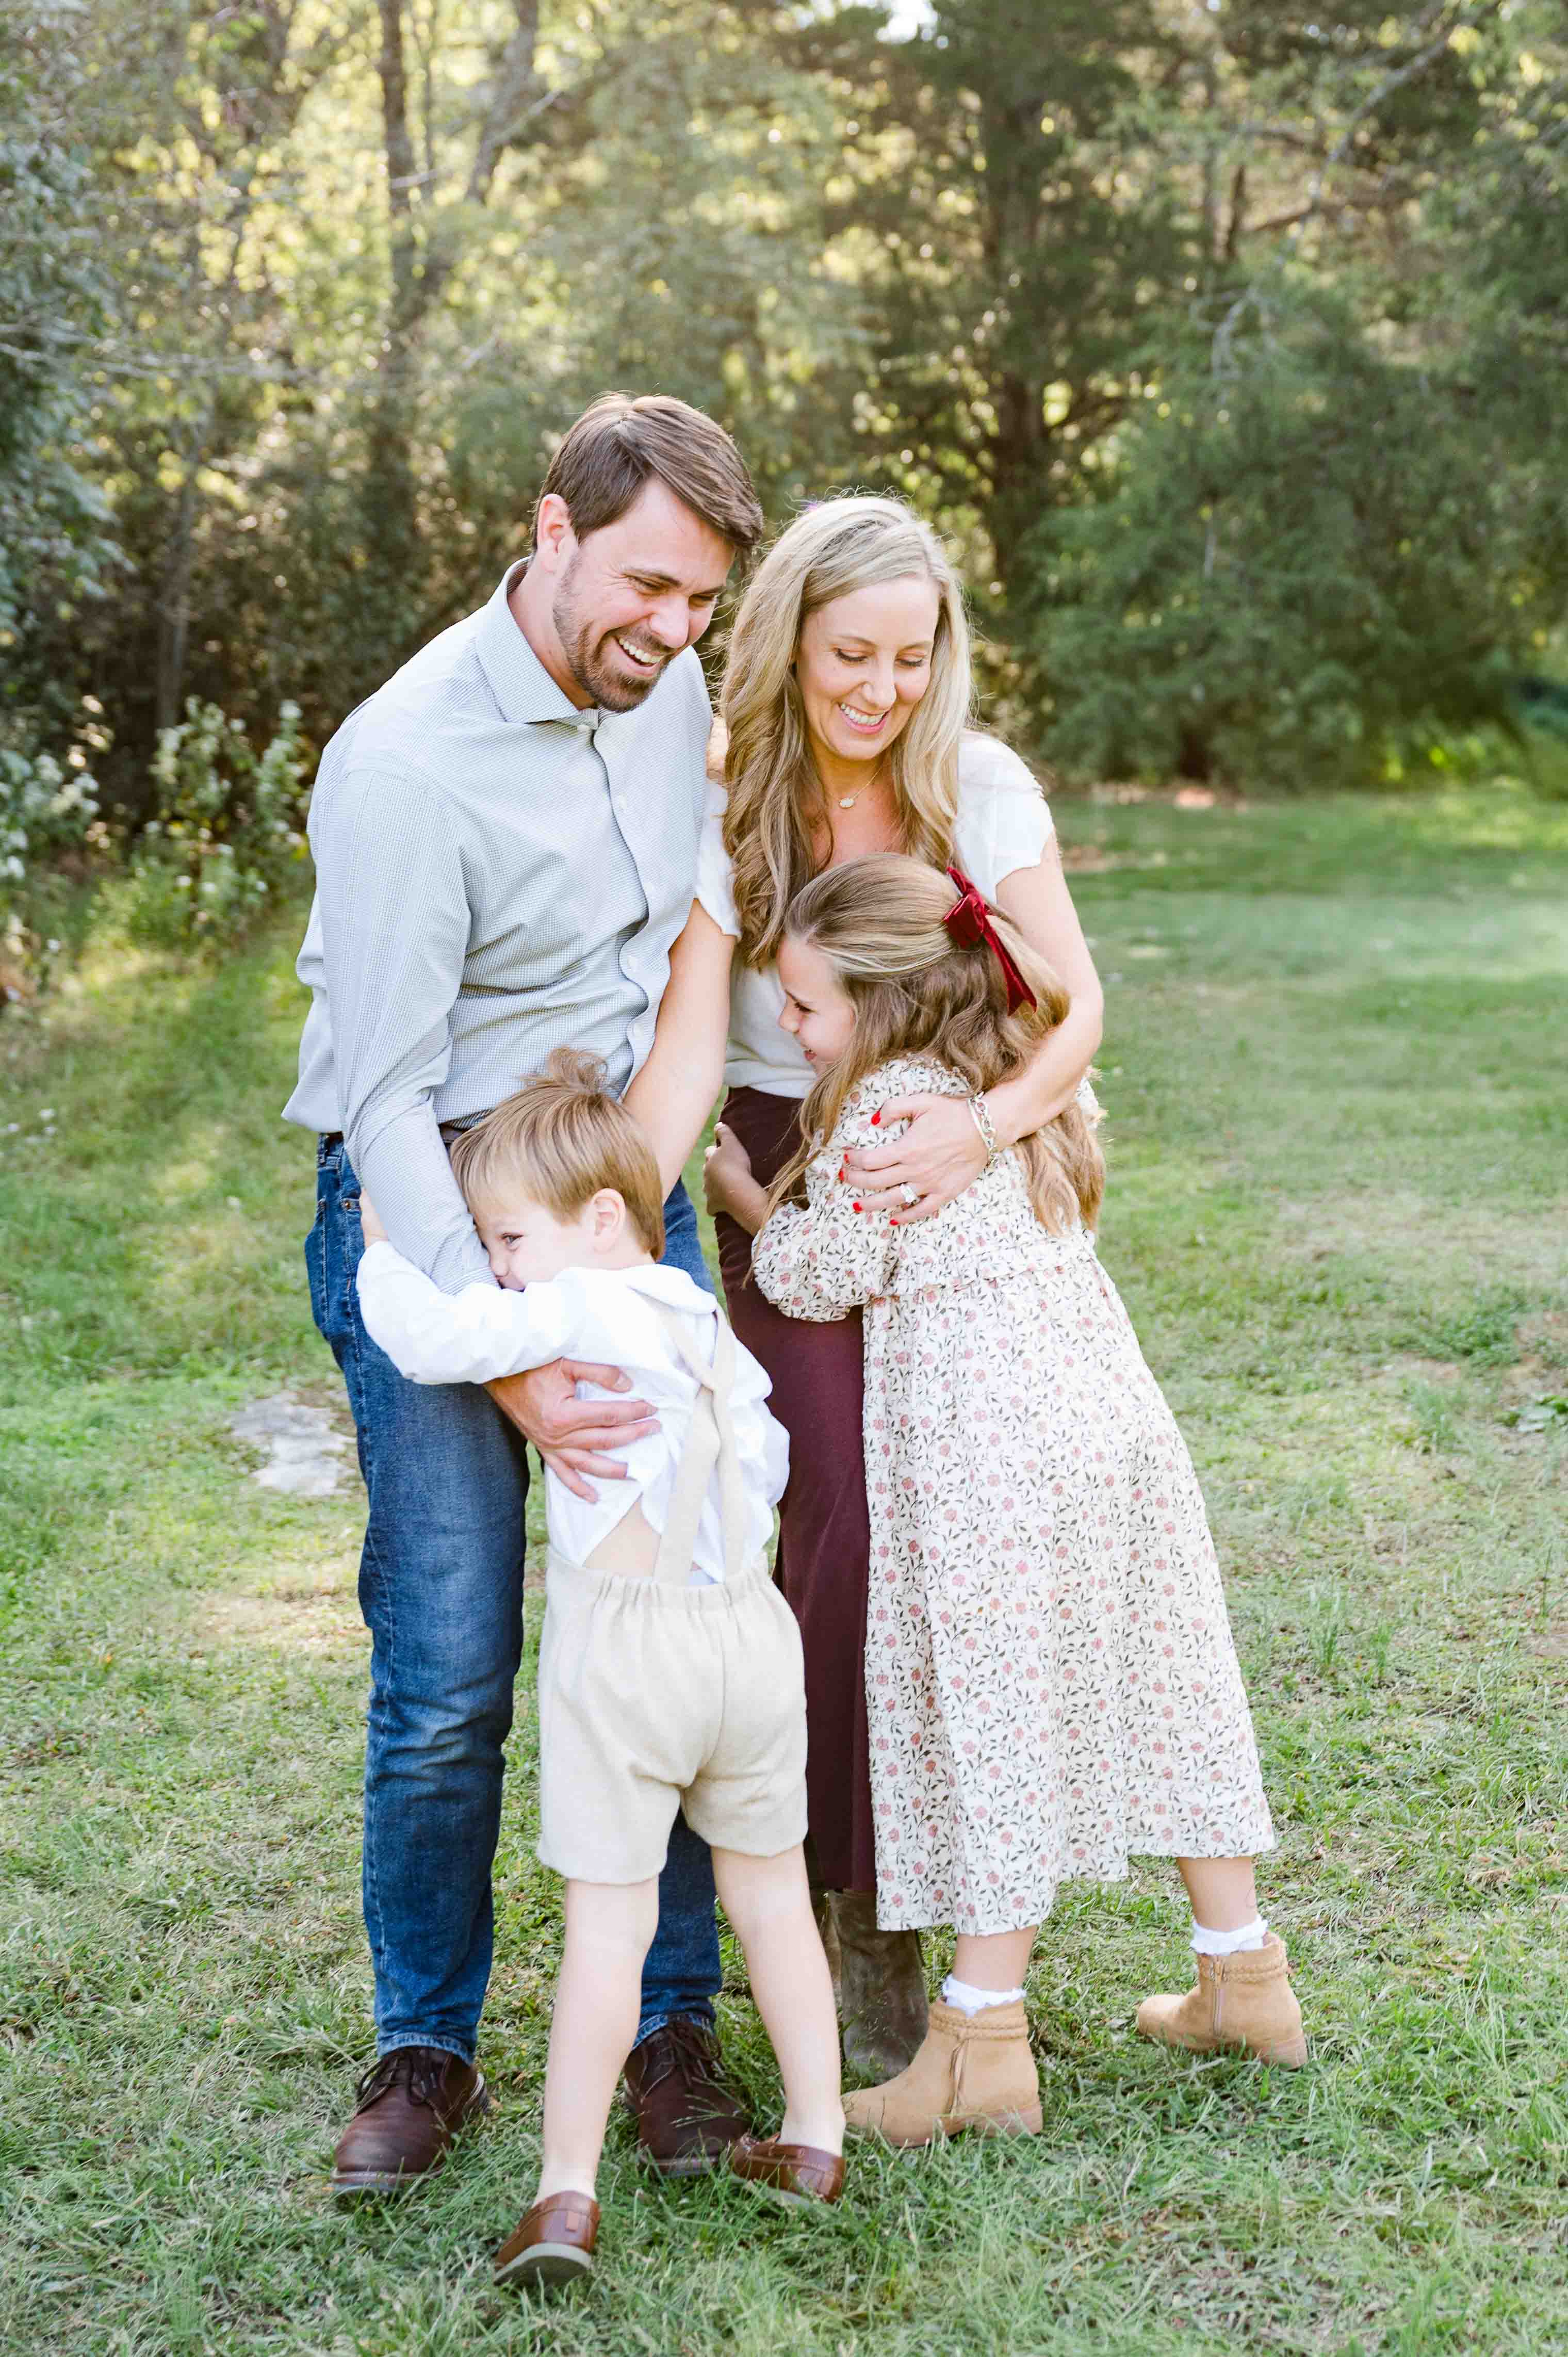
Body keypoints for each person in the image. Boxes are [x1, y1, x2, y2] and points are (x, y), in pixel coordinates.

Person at [283, 393, 763, 2193]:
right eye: (646, 584)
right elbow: (387, 1094)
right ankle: (427, 2046)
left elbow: (674, 962)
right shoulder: (404, 762)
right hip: (430, 1214)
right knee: (452, 1658)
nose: (672, 628)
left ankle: (674, 2026)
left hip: (619, 1194)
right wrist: (510, 1362)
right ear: (551, 530)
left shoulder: (669, 689)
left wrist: (626, 1259)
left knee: (680, 1616)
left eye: (703, 600)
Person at [707, 854, 1303, 2147]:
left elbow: (815, 1277)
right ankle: (1241, 1970)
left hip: (987, 1463)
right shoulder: (1021, 1091)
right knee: (1167, 1679)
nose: (793, 1030)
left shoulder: (882, 1119)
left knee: (988, 1723)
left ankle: (980, 2037)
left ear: (880, 1000)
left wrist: (750, 1198)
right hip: (1109, 1433)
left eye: (806, 1007)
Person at [695, 495, 1103, 2076]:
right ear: (790, 633)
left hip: (951, 1156)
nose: (876, 688)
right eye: (848, 653)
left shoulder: (973, 782)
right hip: (774, 1150)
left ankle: (896, 1900)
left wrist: (978, 1130)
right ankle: (822, 1886)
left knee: (961, 1514)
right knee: (842, 1498)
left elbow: (1074, 1007)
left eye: (908, 656)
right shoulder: (726, 786)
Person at [356, 1052, 845, 2289]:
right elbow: (772, 1461)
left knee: (605, 1928)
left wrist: (379, 1239)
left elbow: (431, 1335)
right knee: (771, 1894)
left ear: (601, 1219)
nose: (502, 1262)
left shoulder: (571, 1307)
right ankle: (817, 2135)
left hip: (628, 1654)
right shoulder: (692, 1311)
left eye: (509, 1235)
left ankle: (562, 2190)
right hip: (746, 1635)